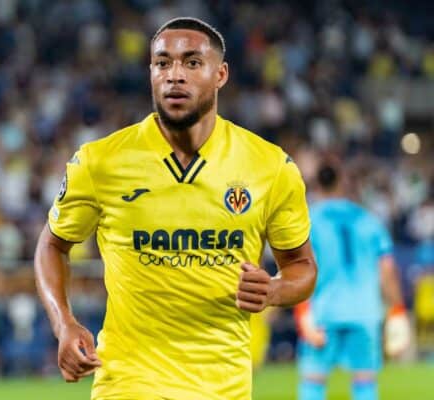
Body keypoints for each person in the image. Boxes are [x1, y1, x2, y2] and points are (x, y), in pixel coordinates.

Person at [35, 17, 317, 399]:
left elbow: (302, 268)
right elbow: (53, 245)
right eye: (162, 63)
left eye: (192, 63)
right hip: (129, 383)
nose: (175, 75)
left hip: (224, 387)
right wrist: (64, 324)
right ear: (151, 72)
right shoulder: (100, 162)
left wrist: (274, 291)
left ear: (221, 74)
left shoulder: (269, 167)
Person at [295, 163, 410, 400]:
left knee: (314, 381)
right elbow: (387, 269)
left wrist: (302, 310)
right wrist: (397, 310)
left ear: (316, 185)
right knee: (365, 381)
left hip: (323, 311)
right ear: (342, 183)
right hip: (364, 312)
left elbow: (300, 266)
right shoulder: (368, 219)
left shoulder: (309, 220)